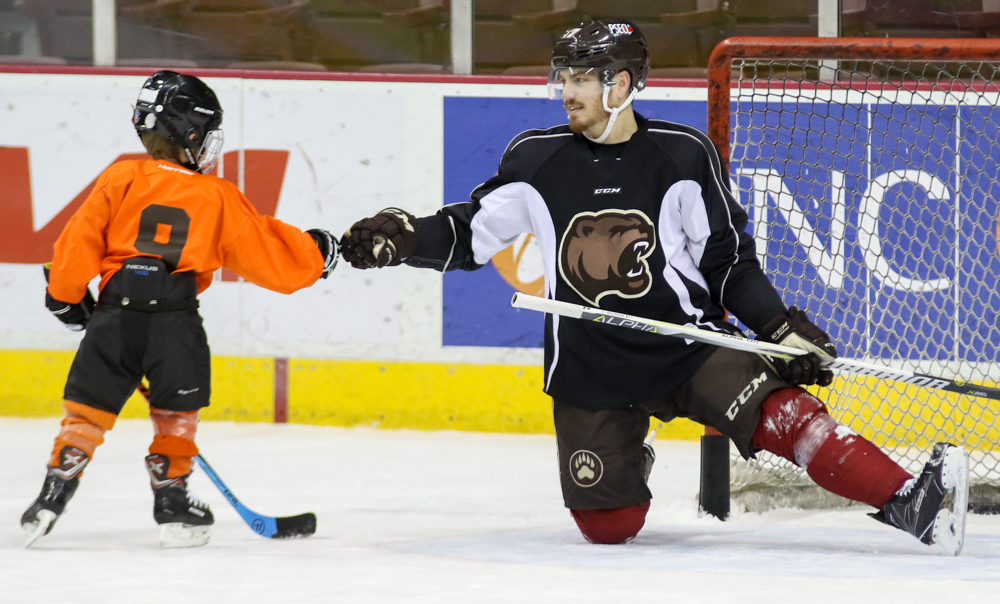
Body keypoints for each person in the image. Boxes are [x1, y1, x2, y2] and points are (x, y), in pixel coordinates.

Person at [339, 20, 971, 555]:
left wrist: (780, 330)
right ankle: (628, 450)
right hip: (591, 364)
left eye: (582, 77)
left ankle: (910, 502)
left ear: (620, 85)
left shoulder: (682, 156)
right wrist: (404, 236)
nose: (567, 90)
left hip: (688, 346)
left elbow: (728, 264)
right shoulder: (536, 160)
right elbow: (470, 233)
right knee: (608, 527)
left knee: (790, 418)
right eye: (563, 76)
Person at [21, 71, 339, 549]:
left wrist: (65, 298)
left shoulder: (121, 177)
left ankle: (50, 497)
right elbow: (269, 258)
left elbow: (77, 242)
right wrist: (316, 254)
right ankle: (172, 503)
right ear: (190, 134)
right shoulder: (217, 196)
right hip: (174, 323)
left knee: (87, 413)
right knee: (176, 414)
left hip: (113, 318)